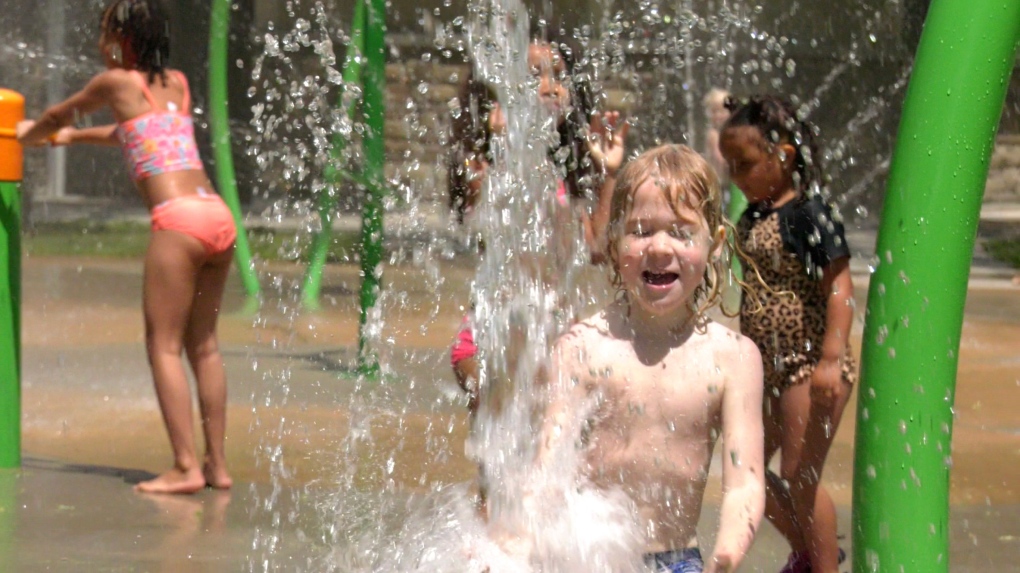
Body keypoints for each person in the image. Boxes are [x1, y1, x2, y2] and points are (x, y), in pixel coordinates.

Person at [18, 0, 236, 494]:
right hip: (215, 215)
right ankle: (217, 467)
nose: (98, 46)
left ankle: (185, 467)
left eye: (102, 35)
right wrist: (68, 140)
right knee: (204, 347)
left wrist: (31, 134)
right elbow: (133, 133)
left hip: (178, 224)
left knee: (162, 346)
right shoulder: (175, 83)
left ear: (122, 40)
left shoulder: (114, 83)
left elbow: (57, 111)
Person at [538, 144, 765, 573]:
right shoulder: (582, 347)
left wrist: (728, 553)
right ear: (614, 238)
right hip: (588, 559)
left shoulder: (733, 359)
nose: (660, 248)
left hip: (677, 561)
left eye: (681, 233)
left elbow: (745, 484)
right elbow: (546, 467)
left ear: (715, 243)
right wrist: (512, 545)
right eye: (641, 231)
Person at [447, 34, 628, 412]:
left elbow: (597, 250)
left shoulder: (568, 170)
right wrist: (501, 143)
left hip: (558, 334)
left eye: (558, 76)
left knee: (555, 455)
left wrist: (609, 172)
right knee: (500, 456)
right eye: (533, 78)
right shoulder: (484, 163)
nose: (549, 88)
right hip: (490, 336)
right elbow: (475, 205)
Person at [718, 95, 856, 573]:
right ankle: (811, 551)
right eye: (729, 165)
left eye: (745, 163)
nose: (736, 175)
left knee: (801, 476)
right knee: (745, 466)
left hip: (808, 364)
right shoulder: (753, 216)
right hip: (765, 367)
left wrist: (831, 359)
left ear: (784, 155)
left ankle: (822, 566)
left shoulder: (807, 214)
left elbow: (840, 288)